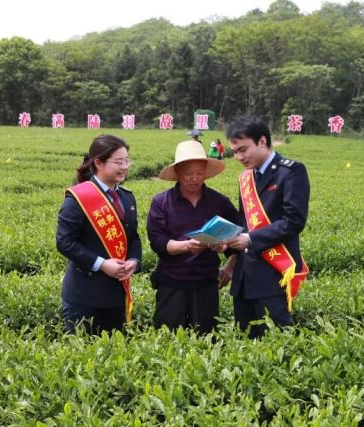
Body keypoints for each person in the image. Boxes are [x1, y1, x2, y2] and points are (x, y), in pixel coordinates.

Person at [225, 116, 310, 338]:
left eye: (243, 149)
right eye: (234, 151)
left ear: (262, 141)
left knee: (277, 342)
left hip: (272, 276)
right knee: (244, 343)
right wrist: (227, 246)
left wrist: (251, 239)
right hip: (244, 277)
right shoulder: (246, 178)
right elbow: (244, 223)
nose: (239, 157)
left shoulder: (290, 171)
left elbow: (294, 221)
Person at [147, 140, 240, 334]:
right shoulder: (161, 202)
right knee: (168, 338)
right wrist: (187, 246)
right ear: (178, 173)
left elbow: (240, 234)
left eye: (199, 173)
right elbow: (157, 241)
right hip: (171, 283)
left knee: (206, 337)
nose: (194, 178)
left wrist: (229, 264)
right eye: (188, 173)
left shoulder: (219, 202)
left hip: (206, 283)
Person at [56, 134, 142, 335]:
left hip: (115, 294)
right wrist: (102, 264)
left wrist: (134, 261)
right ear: (99, 163)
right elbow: (65, 242)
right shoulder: (78, 198)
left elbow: (133, 237)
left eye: (127, 160)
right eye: (118, 162)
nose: (125, 166)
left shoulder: (127, 198)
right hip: (84, 296)